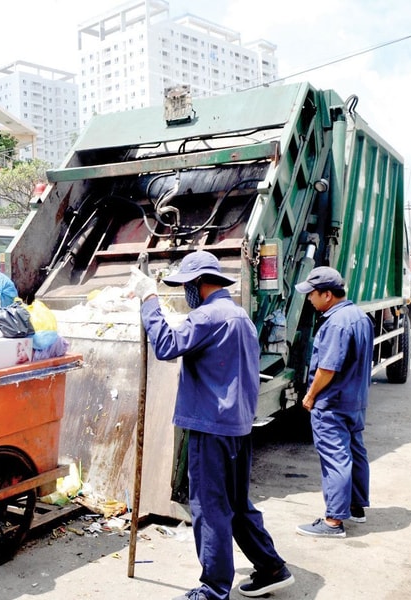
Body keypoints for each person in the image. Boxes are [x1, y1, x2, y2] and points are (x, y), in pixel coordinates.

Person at [129, 251, 294, 600]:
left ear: (200, 285)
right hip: (238, 425)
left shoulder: (207, 317)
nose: (186, 293)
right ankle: (271, 567)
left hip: (211, 426)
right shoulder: (239, 316)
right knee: (237, 505)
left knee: (210, 507)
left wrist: (149, 300)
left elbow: (166, 345)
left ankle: (213, 588)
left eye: (187, 286)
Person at [294, 266, 373, 538]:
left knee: (335, 458)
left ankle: (333, 522)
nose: (309, 299)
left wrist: (310, 395)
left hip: (333, 403)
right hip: (355, 400)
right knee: (355, 452)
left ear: (327, 295)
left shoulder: (336, 323)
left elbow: (327, 369)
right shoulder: (360, 317)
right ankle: (356, 508)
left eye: (312, 294)